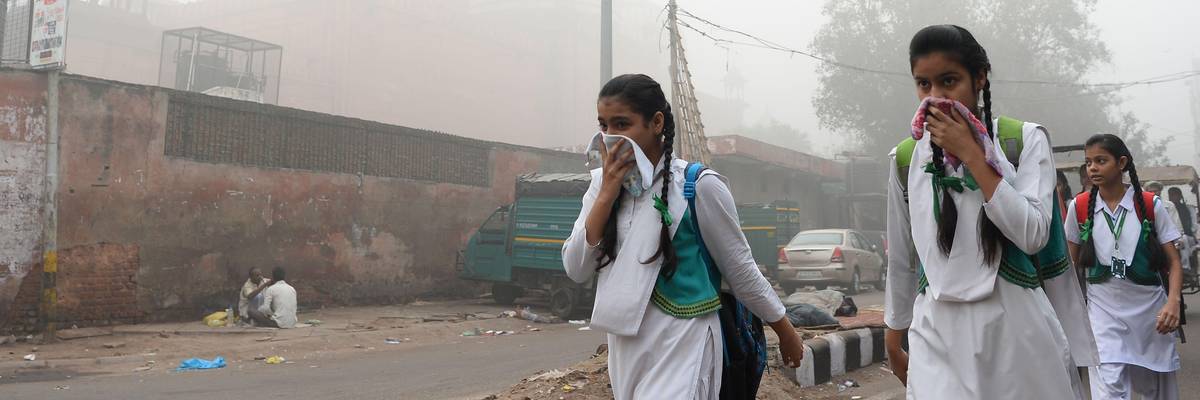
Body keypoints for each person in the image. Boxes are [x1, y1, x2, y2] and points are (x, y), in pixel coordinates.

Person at [561, 74, 804, 399]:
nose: (610, 137)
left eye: (622, 124)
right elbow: (576, 267)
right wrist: (606, 193)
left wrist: (784, 330)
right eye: (604, 125)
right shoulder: (600, 186)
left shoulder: (698, 185)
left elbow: (740, 269)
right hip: (626, 347)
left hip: (686, 339)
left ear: (656, 122)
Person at [884, 25, 1081, 399]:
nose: (936, 97)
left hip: (1015, 331)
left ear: (979, 78)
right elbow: (902, 257)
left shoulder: (1023, 141)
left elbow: (1033, 234)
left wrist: (975, 156)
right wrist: (894, 333)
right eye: (924, 85)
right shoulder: (905, 159)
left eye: (949, 81)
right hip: (935, 332)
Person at [1065, 134, 1182, 399]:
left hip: (1150, 314)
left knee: (1154, 388)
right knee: (1109, 384)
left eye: (1100, 160)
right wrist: (1070, 309)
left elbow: (1174, 261)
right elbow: (1070, 265)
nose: (1092, 167)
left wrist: (1173, 301)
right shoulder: (1080, 207)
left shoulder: (1151, 205)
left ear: (1122, 163)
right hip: (1102, 314)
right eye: (1089, 162)